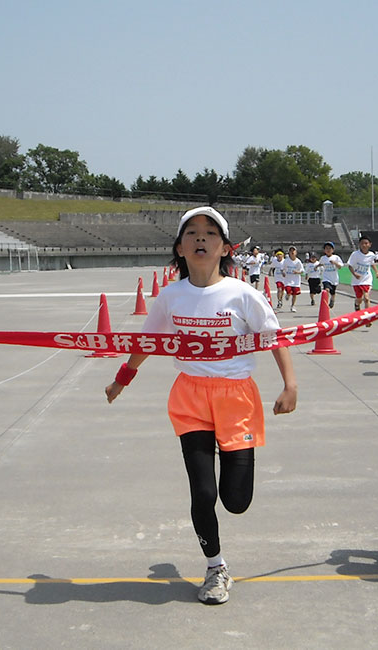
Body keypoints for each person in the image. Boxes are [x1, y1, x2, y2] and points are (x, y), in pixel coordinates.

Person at [105, 206, 297, 605]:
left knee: (236, 501)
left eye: (210, 233)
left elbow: (274, 337)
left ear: (225, 247)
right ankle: (215, 568)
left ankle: (232, 479)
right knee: (203, 492)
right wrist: (122, 379)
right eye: (191, 233)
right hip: (190, 397)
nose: (200, 238)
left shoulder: (244, 294)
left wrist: (289, 384)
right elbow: (148, 341)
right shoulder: (170, 296)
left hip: (236, 398)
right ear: (179, 247)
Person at [347, 235, 378, 313]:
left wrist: (377, 272)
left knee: (366, 298)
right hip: (357, 281)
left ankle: (367, 317)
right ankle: (356, 304)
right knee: (359, 299)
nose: (364, 245)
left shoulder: (371, 255)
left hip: (366, 279)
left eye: (366, 243)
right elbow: (350, 266)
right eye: (362, 243)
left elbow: (372, 263)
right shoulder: (355, 254)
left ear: (370, 244)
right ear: (359, 244)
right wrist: (355, 274)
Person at [317, 242, 344, 309]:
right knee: (327, 290)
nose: (328, 250)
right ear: (324, 250)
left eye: (330, 248)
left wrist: (335, 263)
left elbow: (340, 267)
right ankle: (325, 303)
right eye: (326, 249)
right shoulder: (323, 258)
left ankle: (332, 300)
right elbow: (321, 264)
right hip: (326, 277)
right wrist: (316, 267)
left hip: (334, 278)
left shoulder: (336, 257)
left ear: (333, 250)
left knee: (333, 292)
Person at [282, 246, 304, 312]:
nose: (292, 252)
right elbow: (283, 269)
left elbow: (302, 270)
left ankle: (293, 306)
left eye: (293, 251)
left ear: (296, 252)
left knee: (294, 294)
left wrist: (297, 272)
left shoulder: (298, 261)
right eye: (290, 251)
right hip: (288, 280)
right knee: (289, 291)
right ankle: (288, 294)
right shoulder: (286, 261)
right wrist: (283, 272)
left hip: (296, 281)